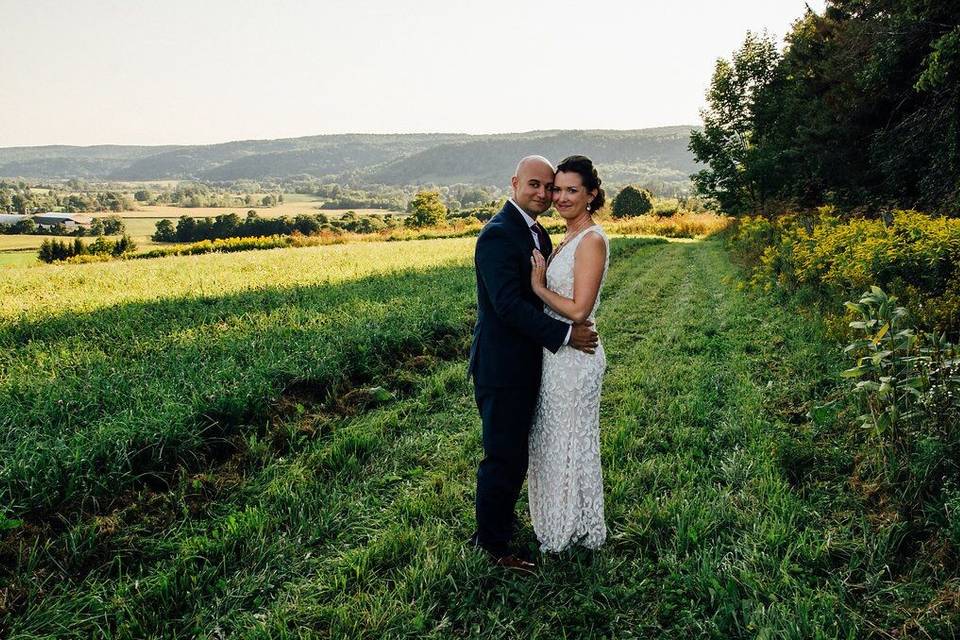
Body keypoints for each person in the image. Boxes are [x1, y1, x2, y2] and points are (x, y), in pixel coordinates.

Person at [468, 155, 599, 573]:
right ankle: (491, 547)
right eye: (536, 186)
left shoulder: (538, 234)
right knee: (503, 456)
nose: (545, 194)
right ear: (514, 183)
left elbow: (545, 295)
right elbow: (506, 305)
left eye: (552, 187)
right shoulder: (499, 234)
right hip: (503, 368)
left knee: (520, 454)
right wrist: (563, 335)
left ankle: (508, 525)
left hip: (532, 364)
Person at [527, 155, 609, 553]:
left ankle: (571, 528)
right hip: (557, 354)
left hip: (576, 360)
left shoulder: (591, 240)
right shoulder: (567, 237)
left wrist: (539, 287)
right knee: (556, 440)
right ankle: (564, 521)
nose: (560, 197)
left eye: (571, 190)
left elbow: (579, 309)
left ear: (591, 194)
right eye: (556, 189)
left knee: (571, 440)